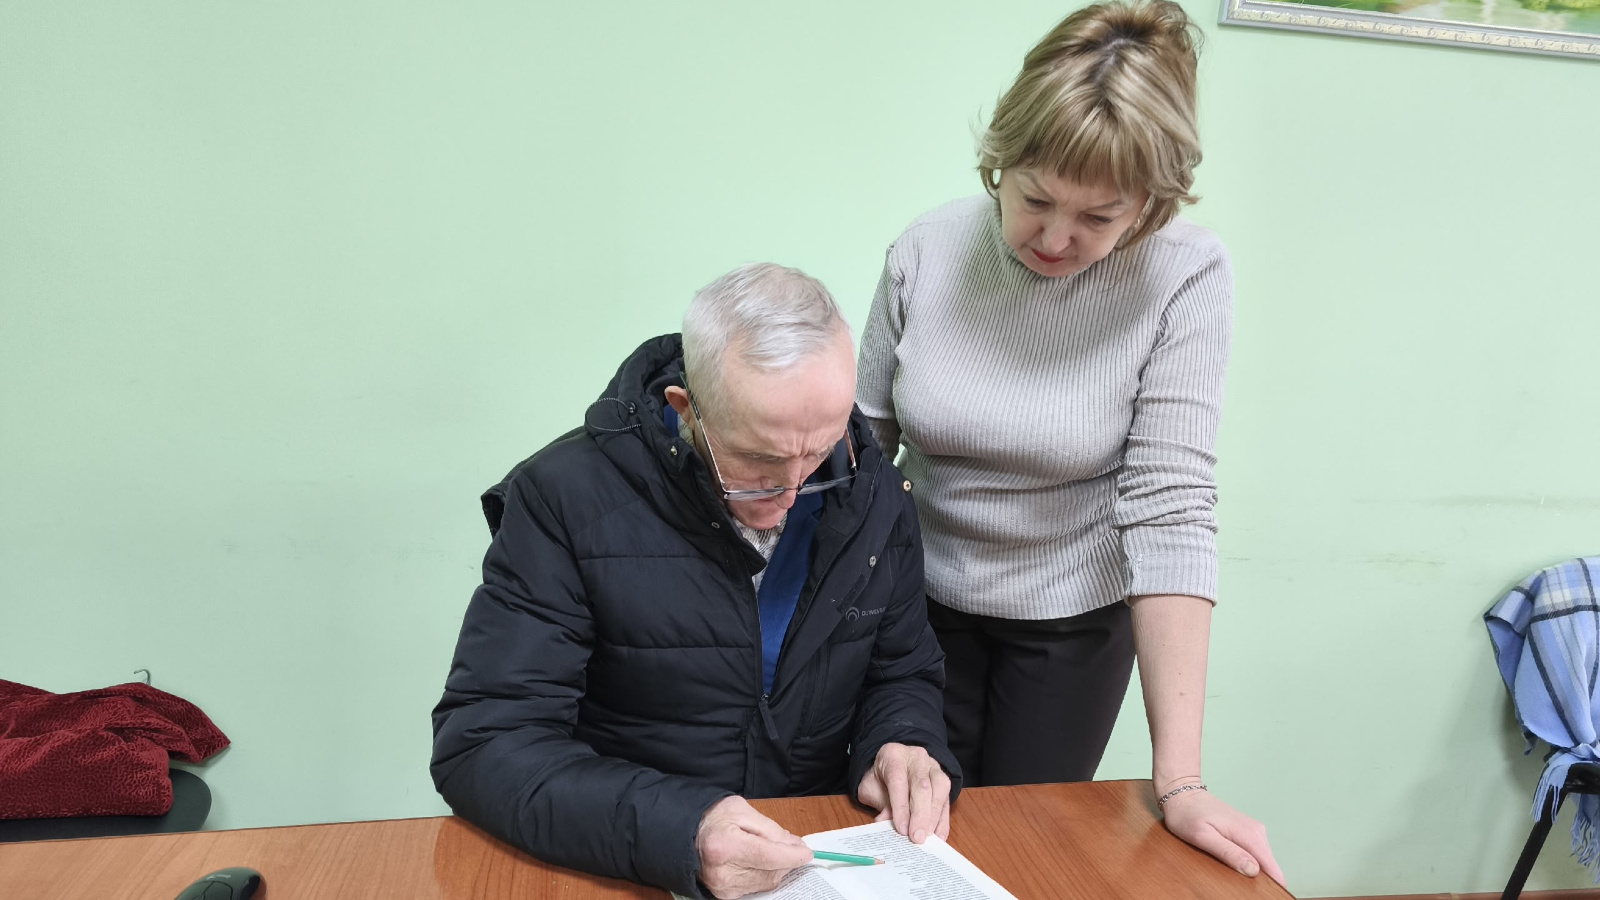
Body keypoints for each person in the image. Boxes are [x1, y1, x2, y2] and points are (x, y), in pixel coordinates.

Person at [855, 0, 1284, 885]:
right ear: (1000, 162)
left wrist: (1182, 782)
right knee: (901, 843)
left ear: (1152, 204)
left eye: (1098, 217)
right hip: (911, 609)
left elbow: (1170, 507)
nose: (1055, 239)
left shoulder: (1186, 274)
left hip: (1070, 624)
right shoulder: (927, 250)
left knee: (1025, 854)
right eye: (1035, 199)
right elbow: (853, 458)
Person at [431, 263, 959, 900]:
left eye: (818, 453)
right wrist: (681, 830)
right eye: (759, 462)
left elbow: (901, 671)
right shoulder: (564, 499)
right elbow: (486, 741)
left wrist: (901, 741)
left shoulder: (870, 489)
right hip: (628, 868)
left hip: (815, 856)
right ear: (687, 410)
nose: (791, 493)